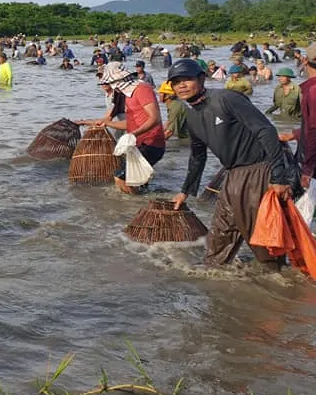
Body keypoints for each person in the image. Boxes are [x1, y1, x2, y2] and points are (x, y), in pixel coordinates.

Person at [168, 58, 294, 269]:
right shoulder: (190, 115)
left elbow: (266, 130)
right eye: (176, 82)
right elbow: (198, 156)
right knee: (220, 236)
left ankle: (278, 285)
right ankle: (216, 284)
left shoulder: (227, 98)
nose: (181, 85)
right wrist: (185, 191)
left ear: (201, 79)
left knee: (262, 239)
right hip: (232, 175)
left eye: (187, 79)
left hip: (258, 171)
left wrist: (278, 177)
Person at [96, 63, 164, 193]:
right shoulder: (126, 95)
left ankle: (133, 207)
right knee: (139, 183)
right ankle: (141, 204)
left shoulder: (142, 89)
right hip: (137, 144)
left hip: (151, 142)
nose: (113, 87)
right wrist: (107, 124)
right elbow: (130, 124)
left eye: (113, 82)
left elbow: (155, 119)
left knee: (120, 178)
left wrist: (133, 134)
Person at [301, 44, 316, 197]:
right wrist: (295, 133)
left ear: (305, 60)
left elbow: (314, 130)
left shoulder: (312, 90)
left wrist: (307, 169)